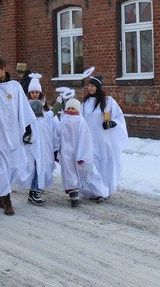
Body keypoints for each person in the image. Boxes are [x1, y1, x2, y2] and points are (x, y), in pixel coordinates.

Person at [0, 57, 37, 216]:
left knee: (14, 167)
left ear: (4, 69)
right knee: (0, 168)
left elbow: (24, 108)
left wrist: (27, 128)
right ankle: (7, 200)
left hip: (13, 132)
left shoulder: (15, 87)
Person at [80, 73, 128, 201]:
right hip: (90, 139)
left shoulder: (108, 101)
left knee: (104, 163)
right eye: (88, 86)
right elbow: (80, 119)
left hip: (104, 139)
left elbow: (118, 116)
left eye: (92, 86)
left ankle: (104, 189)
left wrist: (113, 123)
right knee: (92, 163)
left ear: (98, 87)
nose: (89, 88)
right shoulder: (84, 104)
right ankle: (92, 190)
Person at [54, 97, 101, 207]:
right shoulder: (64, 120)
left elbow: (85, 138)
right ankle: (73, 195)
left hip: (78, 152)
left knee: (82, 172)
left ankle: (96, 191)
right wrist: (55, 149)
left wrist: (83, 154)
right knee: (69, 172)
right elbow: (57, 135)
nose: (70, 110)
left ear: (78, 109)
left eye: (73, 108)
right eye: (68, 108)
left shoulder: (81, 121)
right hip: (66, 152)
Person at [26, 73, 58, 205]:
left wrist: (61, 103)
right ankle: (36, 191)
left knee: (42, 167)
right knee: (37, 167)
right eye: (32, 92)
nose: (34, 94)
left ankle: (34, 191)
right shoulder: (26, 108)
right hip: (33, 144)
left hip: (44, 144)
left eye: (36, 92)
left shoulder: (45, 110)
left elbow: (52, 116)